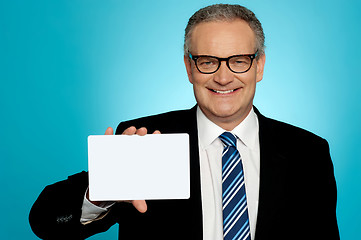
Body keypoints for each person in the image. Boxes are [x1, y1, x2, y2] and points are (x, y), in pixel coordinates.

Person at [29, 4, 340, 240]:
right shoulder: (144, 140)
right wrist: (104, 190)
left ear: (259, 66)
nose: (223, 76)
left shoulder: (308, 152)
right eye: (207, 62)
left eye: (239, 60)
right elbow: (44, 221)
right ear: (189, 68)